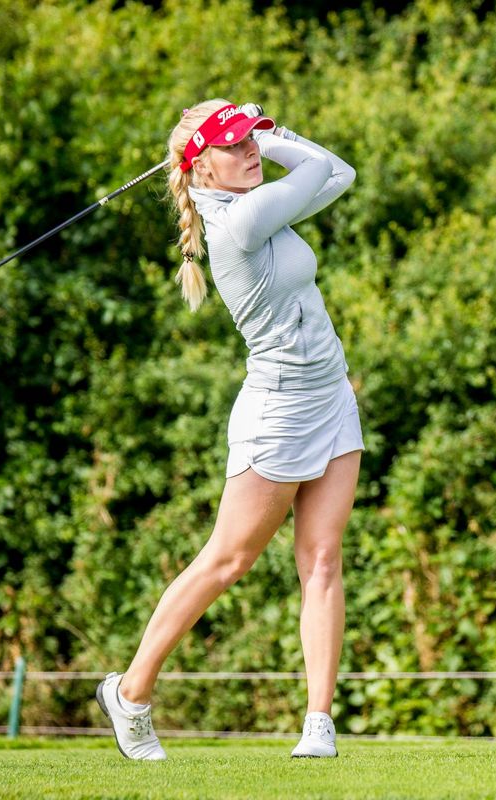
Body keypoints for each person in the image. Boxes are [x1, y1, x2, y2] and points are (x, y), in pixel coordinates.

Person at [94, 98, 360, 760]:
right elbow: (318, 168)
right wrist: (273, 136)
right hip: (278, 411)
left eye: (250, 141)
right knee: (229, 559)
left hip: (331, 395)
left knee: (322, 558)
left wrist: (256, 131)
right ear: (203, 168)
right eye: (234, 144)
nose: (248, 151)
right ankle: (130, 693)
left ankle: (318, 724)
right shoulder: (240, 221)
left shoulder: (255, 204)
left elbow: (342, 174)